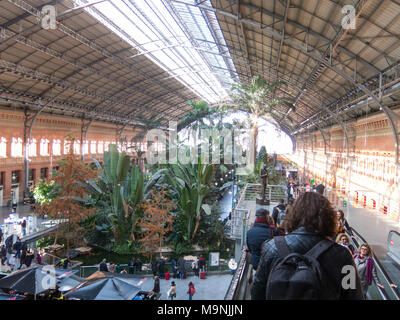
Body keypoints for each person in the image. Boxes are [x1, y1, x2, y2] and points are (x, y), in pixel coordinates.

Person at [251, 191, 364, 300]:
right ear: (328, 218)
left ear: (293, 215)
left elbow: (257, 291)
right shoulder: (342, 255)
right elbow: (353, 295)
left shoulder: (272, 248)